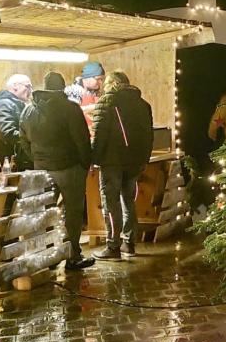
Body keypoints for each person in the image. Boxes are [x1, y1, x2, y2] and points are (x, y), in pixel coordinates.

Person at [20, 72, 95, 270]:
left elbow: (23, 141)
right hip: (69, 167)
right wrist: (85, 164)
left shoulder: (28, 110)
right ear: (62, 87)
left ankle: (47, 257)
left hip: (41, 170)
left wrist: (37, 159)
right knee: (72, 213)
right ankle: (72, 256)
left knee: (44, 214)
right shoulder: (70, 109)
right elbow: (82, 140)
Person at [91, 71, 153, 260]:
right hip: (134, 162)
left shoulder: (107, 101)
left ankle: (113, 246)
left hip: (112, 161)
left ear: (113, 84)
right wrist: (144, 159)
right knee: (128, 202)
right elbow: (149, 135)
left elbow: (99, 134)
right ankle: (129, 243)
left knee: (111, 203)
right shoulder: (143, 104)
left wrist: (94, 158)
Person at [0, 74, 33, 169]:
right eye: (28, 86)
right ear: (15, 86)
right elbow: (7, 133)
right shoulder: (4, 104)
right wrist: (31, 137)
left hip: (17, 162)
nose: (31, 91)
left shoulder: (17, 104)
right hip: (9, 164)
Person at [65, 61, 106, 129]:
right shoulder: (72, 92)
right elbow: (71, 113)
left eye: (102, 79)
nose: (101, 82)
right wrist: (92, 107)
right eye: (98, 79)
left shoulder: (96, 91)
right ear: (87, 77)